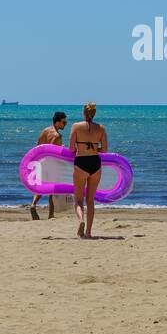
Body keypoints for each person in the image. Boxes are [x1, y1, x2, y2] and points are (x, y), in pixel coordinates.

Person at [69, 102, 107, 238]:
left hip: (81, 163)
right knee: (90, 201)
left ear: (84, 113)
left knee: (78, 200)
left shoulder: (76, 126)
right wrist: (94, 148)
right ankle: (89, 233)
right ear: (94, 113)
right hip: (95, 163)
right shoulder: (101, 128)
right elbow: (105, 149)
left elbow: (72, 148)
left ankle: (81, 221)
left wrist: (82, 147)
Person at [29, 111, 68, 220]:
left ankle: (33, 204)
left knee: (40, 187)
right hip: (51, 163)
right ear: (57, 122)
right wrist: (62, 148)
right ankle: (51, 215)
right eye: (64, 122)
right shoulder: (57, 135)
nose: (65, 124)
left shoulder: (44, 131)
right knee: (52, 190)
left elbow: (38, 146)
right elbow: (52, 151)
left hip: (40, 162)